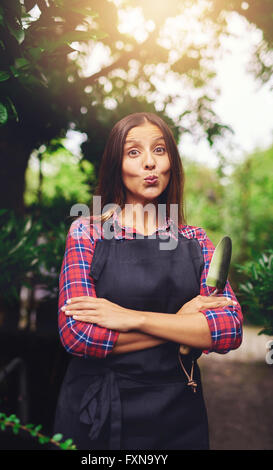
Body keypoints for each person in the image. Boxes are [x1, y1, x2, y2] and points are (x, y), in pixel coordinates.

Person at [53, 112, 243, 450]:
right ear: (117, 163)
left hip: (177, 415)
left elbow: (228, 328)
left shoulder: (196, 241)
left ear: (172, 161)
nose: (150, 163)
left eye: (159, 150)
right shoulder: (88, 232)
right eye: (134, 152)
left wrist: (132, 318)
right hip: (98, 413)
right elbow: (78, 335)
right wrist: (184, 326)